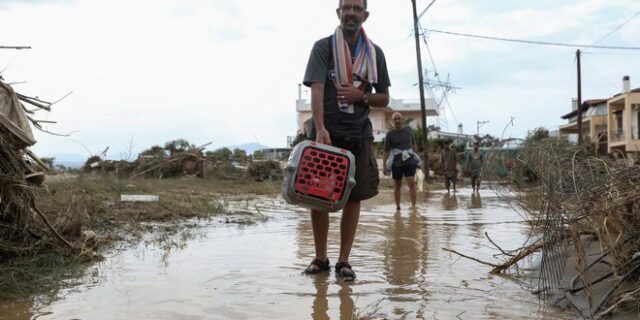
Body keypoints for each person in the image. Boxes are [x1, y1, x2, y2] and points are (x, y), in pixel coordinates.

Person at [301, 0, 391, 281]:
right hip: (327, 134)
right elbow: (317, 89)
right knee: (318, 197)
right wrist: (319, 129)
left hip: (359, 134)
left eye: (356, 7)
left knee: (353, 198)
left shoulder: (375, 53)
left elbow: (384, 98)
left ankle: (343, 261)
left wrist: (360, 96)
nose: (351, 12)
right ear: (338, 12)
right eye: (346, 7)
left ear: (366, 15)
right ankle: (321, 258)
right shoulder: (322, 47)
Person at [383, 112, 420, 210]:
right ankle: (398, 207)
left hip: (410, 161)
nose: (397, 120)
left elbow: (413, 144)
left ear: (402, 119)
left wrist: (418, 159)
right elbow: (386, 151)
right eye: (395, 119)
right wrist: (384, 166)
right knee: (397, 185)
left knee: (411, 183)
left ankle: (413, 206)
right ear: (393, 121)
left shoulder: (408, 130)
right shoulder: (389, 134)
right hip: (396, 163)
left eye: (398, 118)